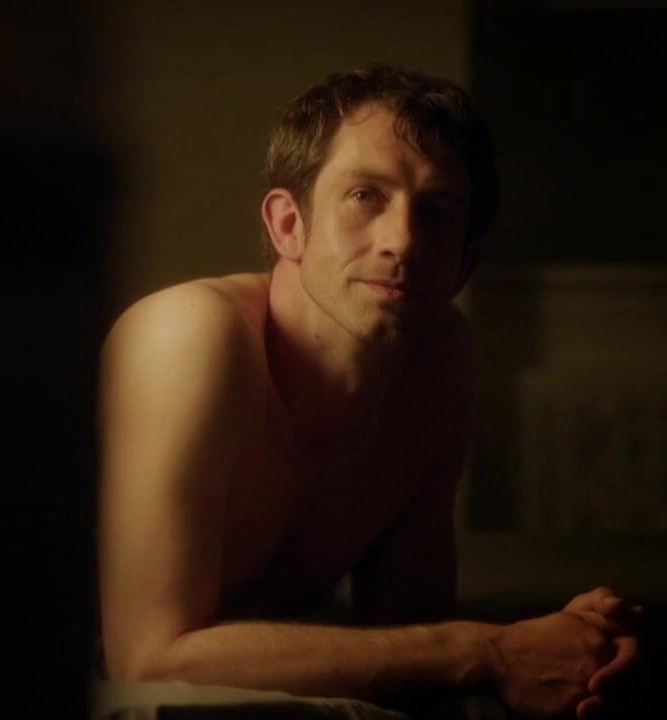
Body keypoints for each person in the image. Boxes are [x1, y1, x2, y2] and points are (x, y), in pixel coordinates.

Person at [97, 65, 640, 719]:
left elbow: (411, 634)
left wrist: (572, 650)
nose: (403, 241)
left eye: (438, 212)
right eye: (365, 196)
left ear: (465, 262)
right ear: (288, 224)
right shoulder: (188, 335)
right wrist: (493, 649)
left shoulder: (439, 356)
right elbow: (147, 659)